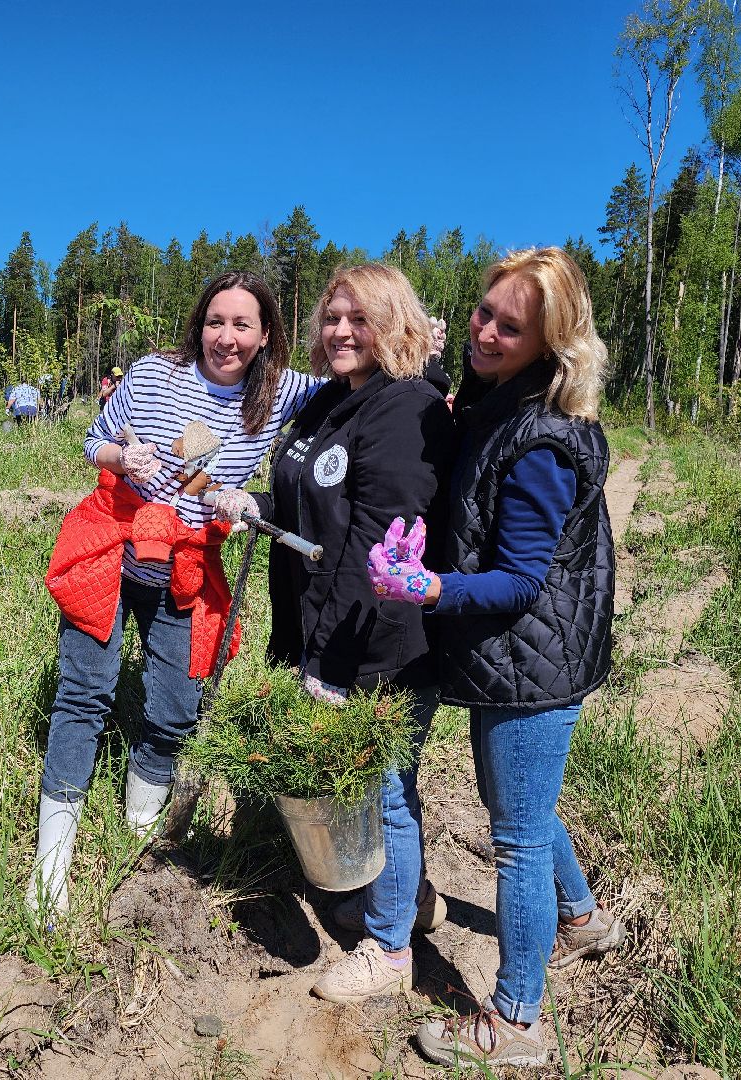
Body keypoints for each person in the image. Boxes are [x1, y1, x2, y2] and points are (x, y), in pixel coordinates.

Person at [366, 248, 623, 1068]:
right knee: (525, 804)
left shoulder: (542, 440)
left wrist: (430, 588)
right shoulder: (495, 403)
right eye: (484, 312)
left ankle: (517, 1020)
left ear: (550, 343)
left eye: (511, 327)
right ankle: (582, 918)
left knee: (512, 835)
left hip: (531, 664)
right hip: (520, 660)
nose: (487, 331)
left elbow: (515, 583)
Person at [30, 271, 318, 918]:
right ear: (200, 324)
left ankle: (138, 843)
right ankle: (50, 868)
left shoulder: (279, 393)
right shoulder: (156, 373)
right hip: (113, 545)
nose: (226, 336)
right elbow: (93, 439)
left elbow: (357, 381)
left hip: (188, 563)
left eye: (242, 324)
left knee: (179, 703)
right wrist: (119, 459)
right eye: (217, 321)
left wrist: (428, 360)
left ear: (265, 334)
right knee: (85, 693)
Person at [212, 264, 454, 1004]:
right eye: (332, 318)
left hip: (382, 642)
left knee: (384, 790)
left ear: (395, 325)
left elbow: (378, 546)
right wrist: (249, 503)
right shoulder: (327, 402)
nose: (342, 331)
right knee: (359, 789)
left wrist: (335, 668)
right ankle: (406, 900)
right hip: (319, 630)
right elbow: (309, 499)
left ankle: (387, 952)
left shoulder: (408, 409)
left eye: (361, 318)